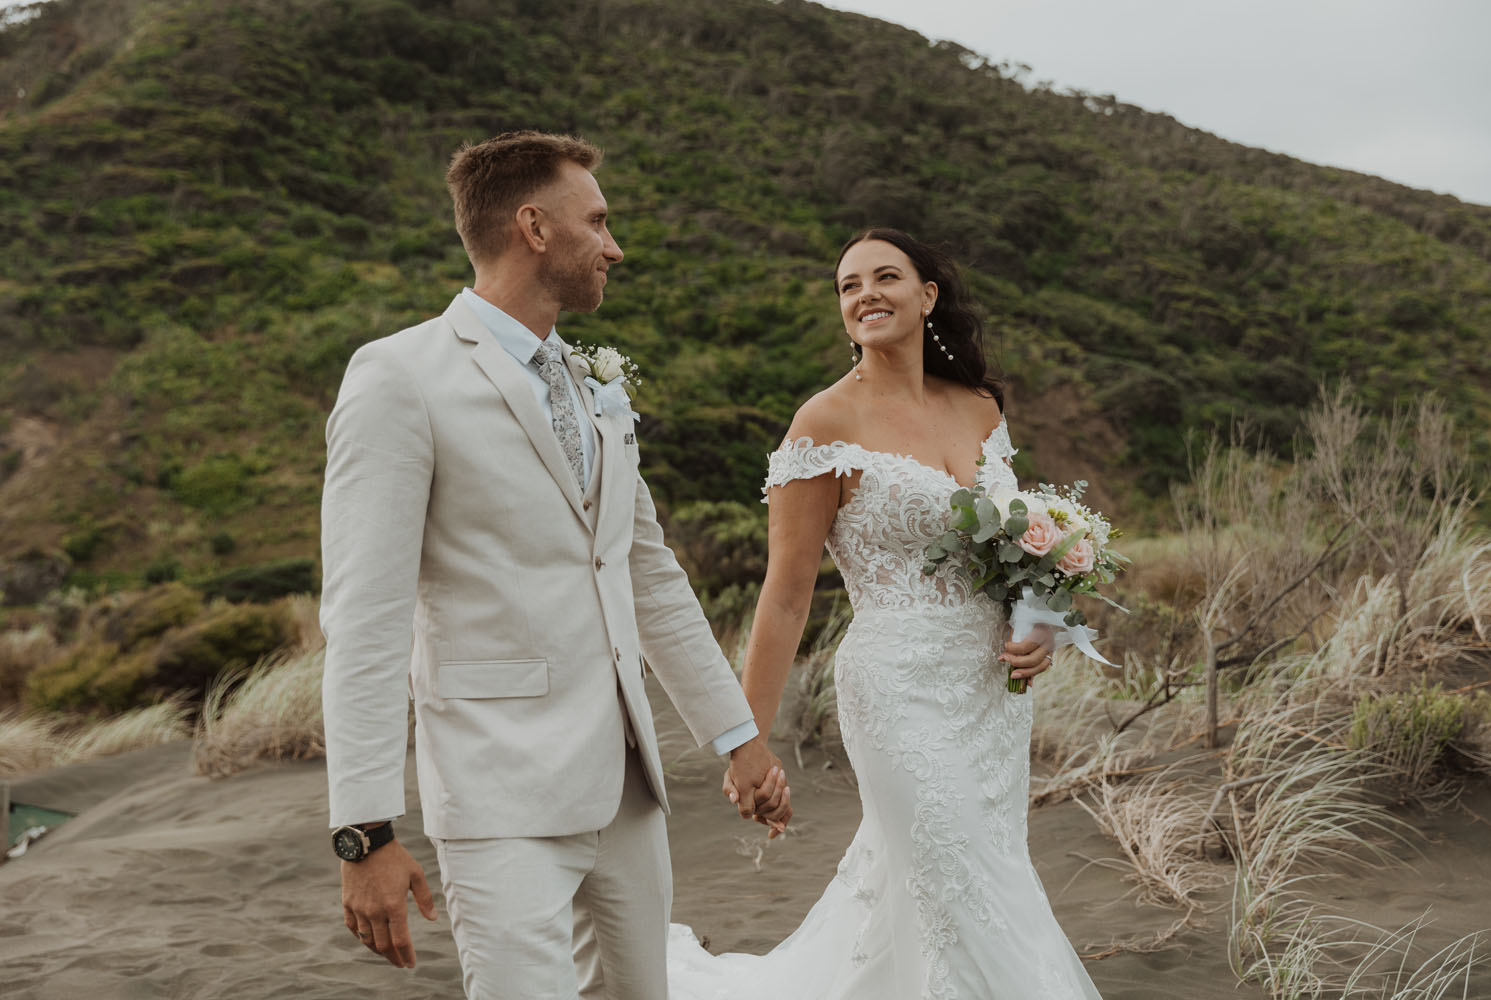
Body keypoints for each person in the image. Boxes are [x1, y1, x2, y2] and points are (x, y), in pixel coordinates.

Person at [319, 130, 790, 1000]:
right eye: (599, 222)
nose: (615, 245)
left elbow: (649, 574)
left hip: (628, 788)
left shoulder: (588, 380)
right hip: (499, 794)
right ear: (533, 227)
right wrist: (364, 833)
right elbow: (363, 617)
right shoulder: (398, 377)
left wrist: (740, 739)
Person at [667, 228, 1104, 999]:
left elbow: (1015, 543)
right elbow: (785, 594)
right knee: (952, 866)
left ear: (927, 295)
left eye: (885, 277)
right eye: (848, 286)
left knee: (975, 875)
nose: (865, 294)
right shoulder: (824, 423)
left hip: (990, 695)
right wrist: (750, 743)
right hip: (897, 689)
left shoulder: (978, 409)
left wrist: (1041, 624)